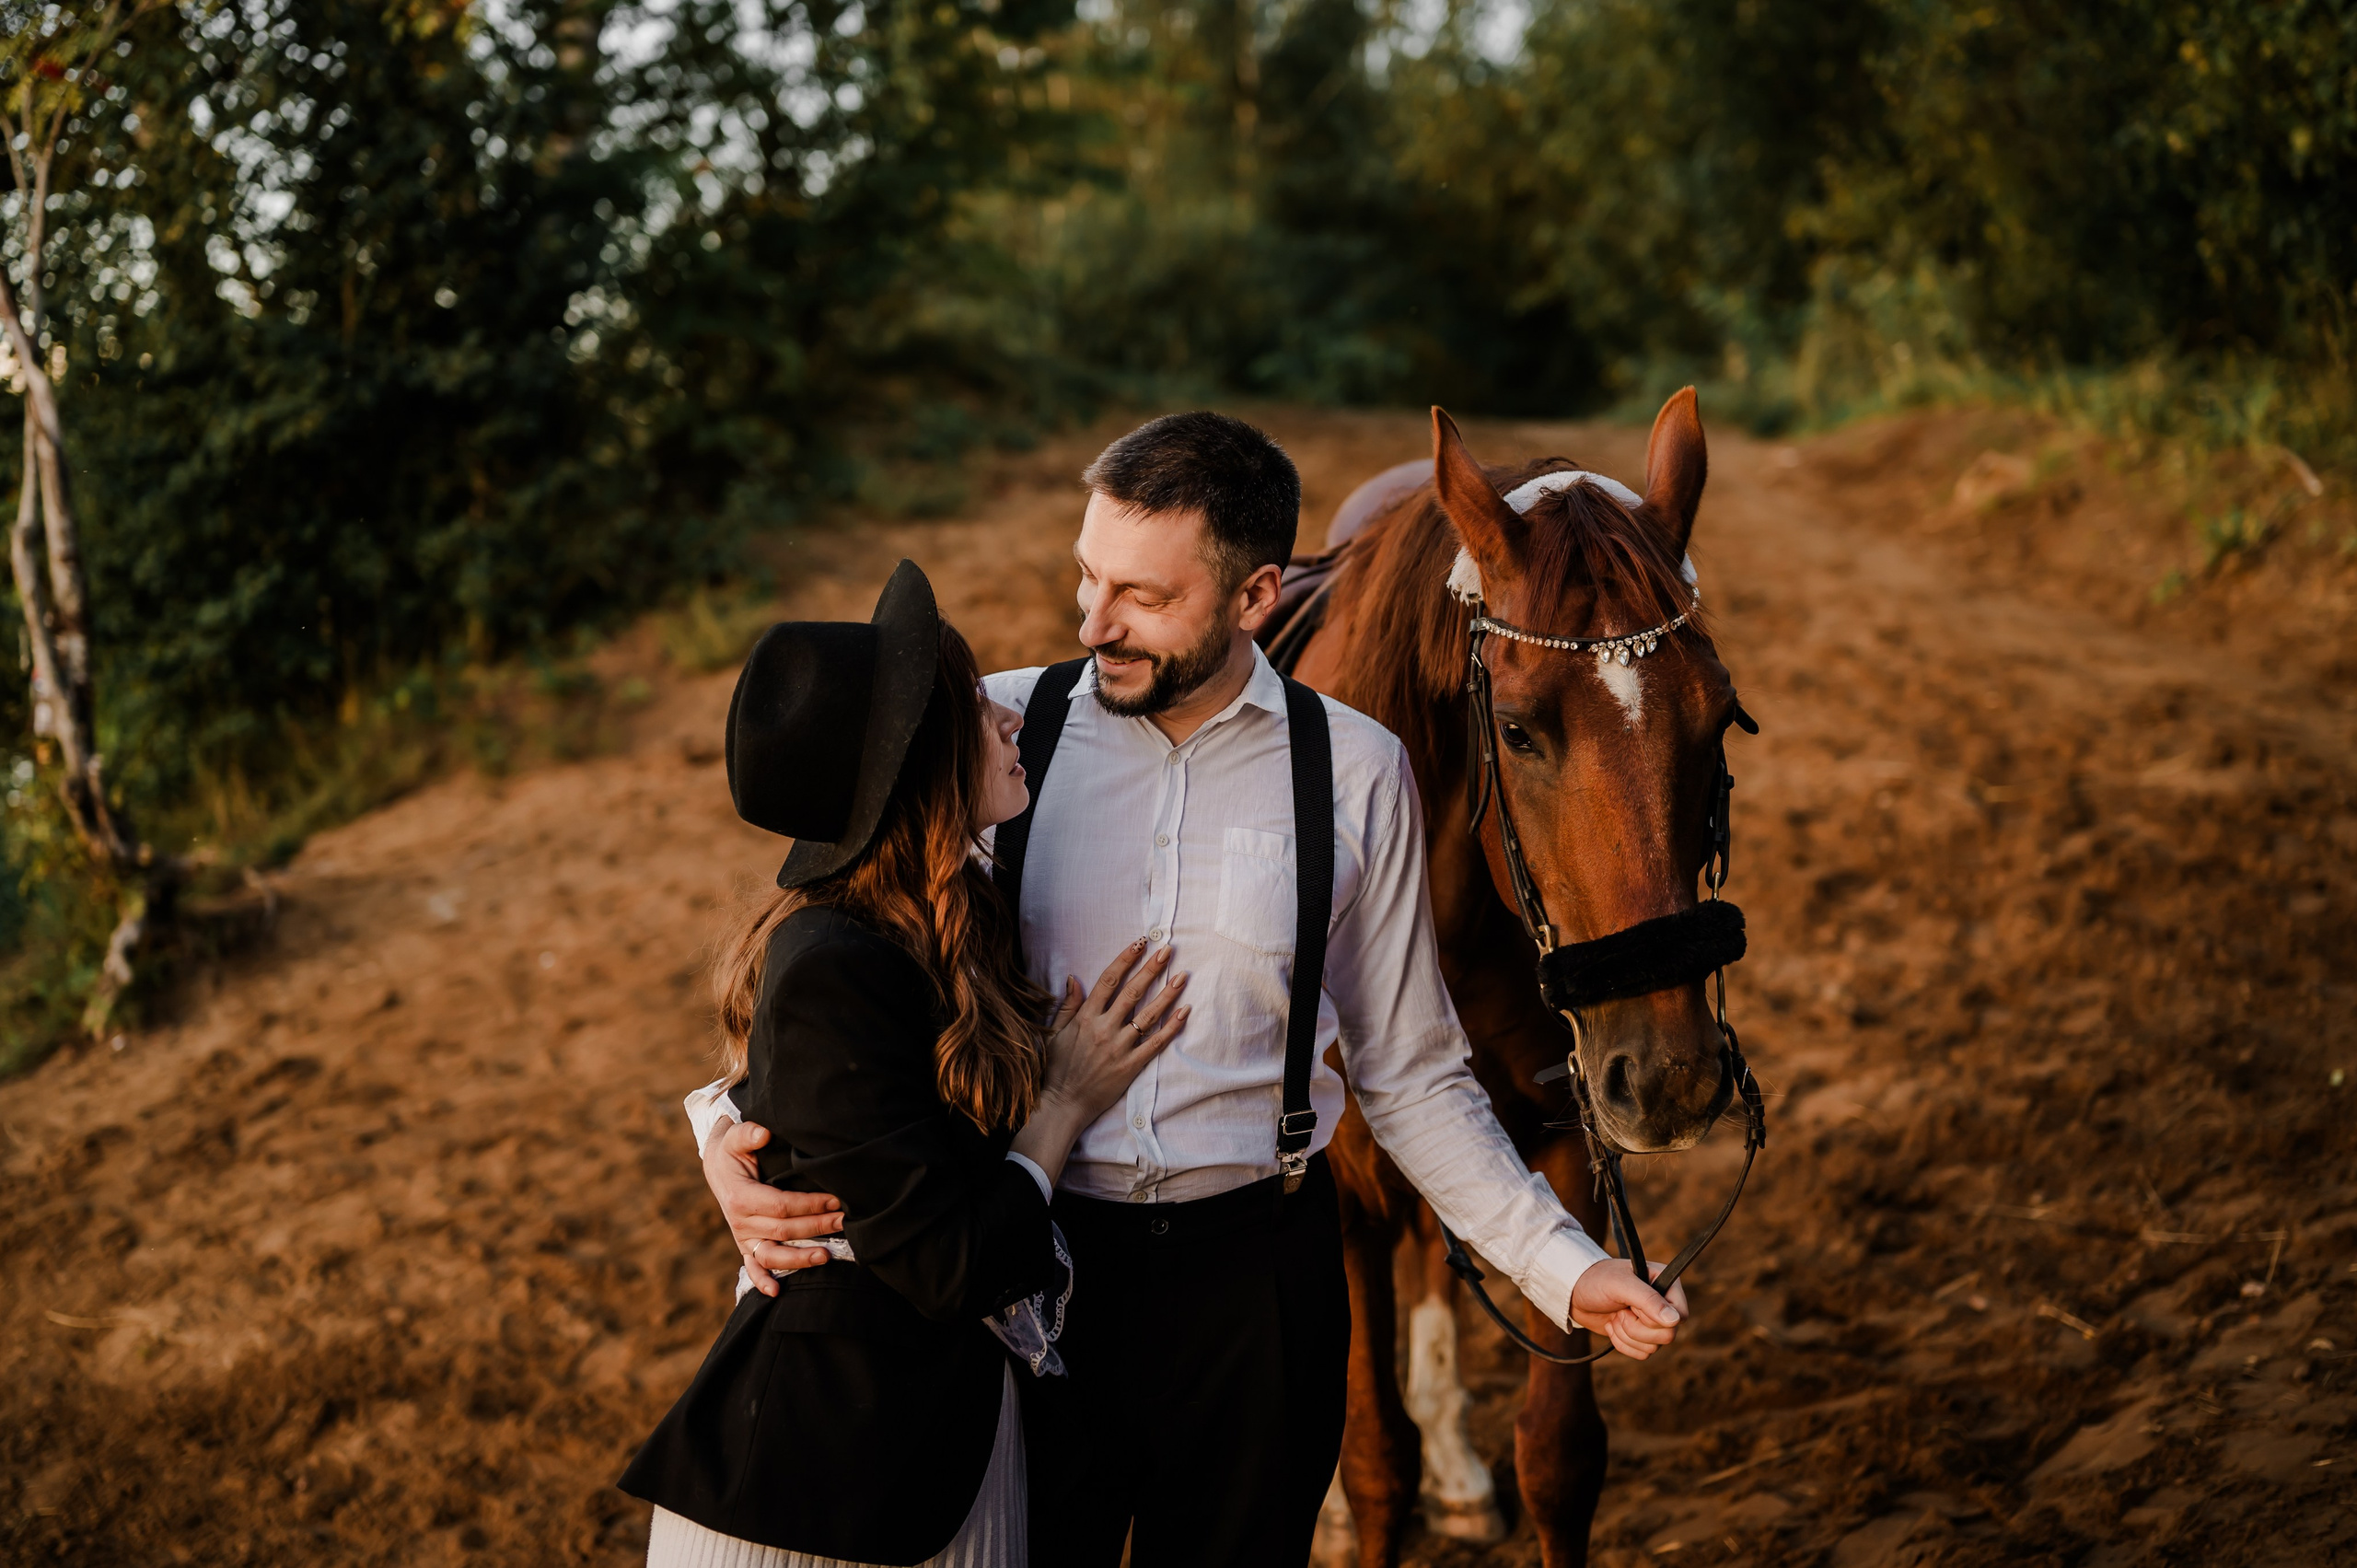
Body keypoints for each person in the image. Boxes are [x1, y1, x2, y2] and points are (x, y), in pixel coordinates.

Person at [691, 412, 1689, 1568]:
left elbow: (1412, 1074)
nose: (1091, 622)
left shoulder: (1356, 770)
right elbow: (826, 948)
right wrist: (726, 1130)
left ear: (1255, 594)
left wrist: (1565, 1267)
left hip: (1259, 1285)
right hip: (1030, 1281)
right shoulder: (994, 733)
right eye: (1088, 576)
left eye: (1143, 596)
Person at [620, 562, 1192, 1568]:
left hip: (946, 1448)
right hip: (818, 1492)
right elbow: (949, 1264)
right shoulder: (833, 960)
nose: (1009, 716)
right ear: (916, 765)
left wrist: (719, 1126)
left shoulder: (953, 912)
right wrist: (1061, 1105)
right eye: (975, 704)